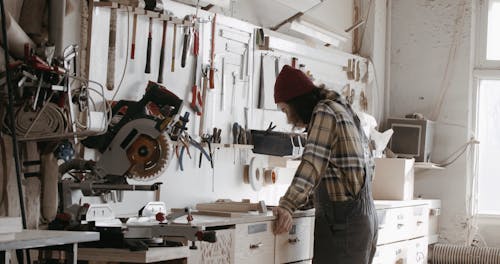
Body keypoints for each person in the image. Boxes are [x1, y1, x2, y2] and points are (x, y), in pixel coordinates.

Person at [272, 65, 378, 264]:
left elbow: (312, 164)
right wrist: (306, 202)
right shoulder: (343, 110)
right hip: (362, 220)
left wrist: (288, 205)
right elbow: (343, 175)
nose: (288, 119)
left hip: (344, 228)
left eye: (286, 110)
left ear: (297, 102)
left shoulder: (325, 112)